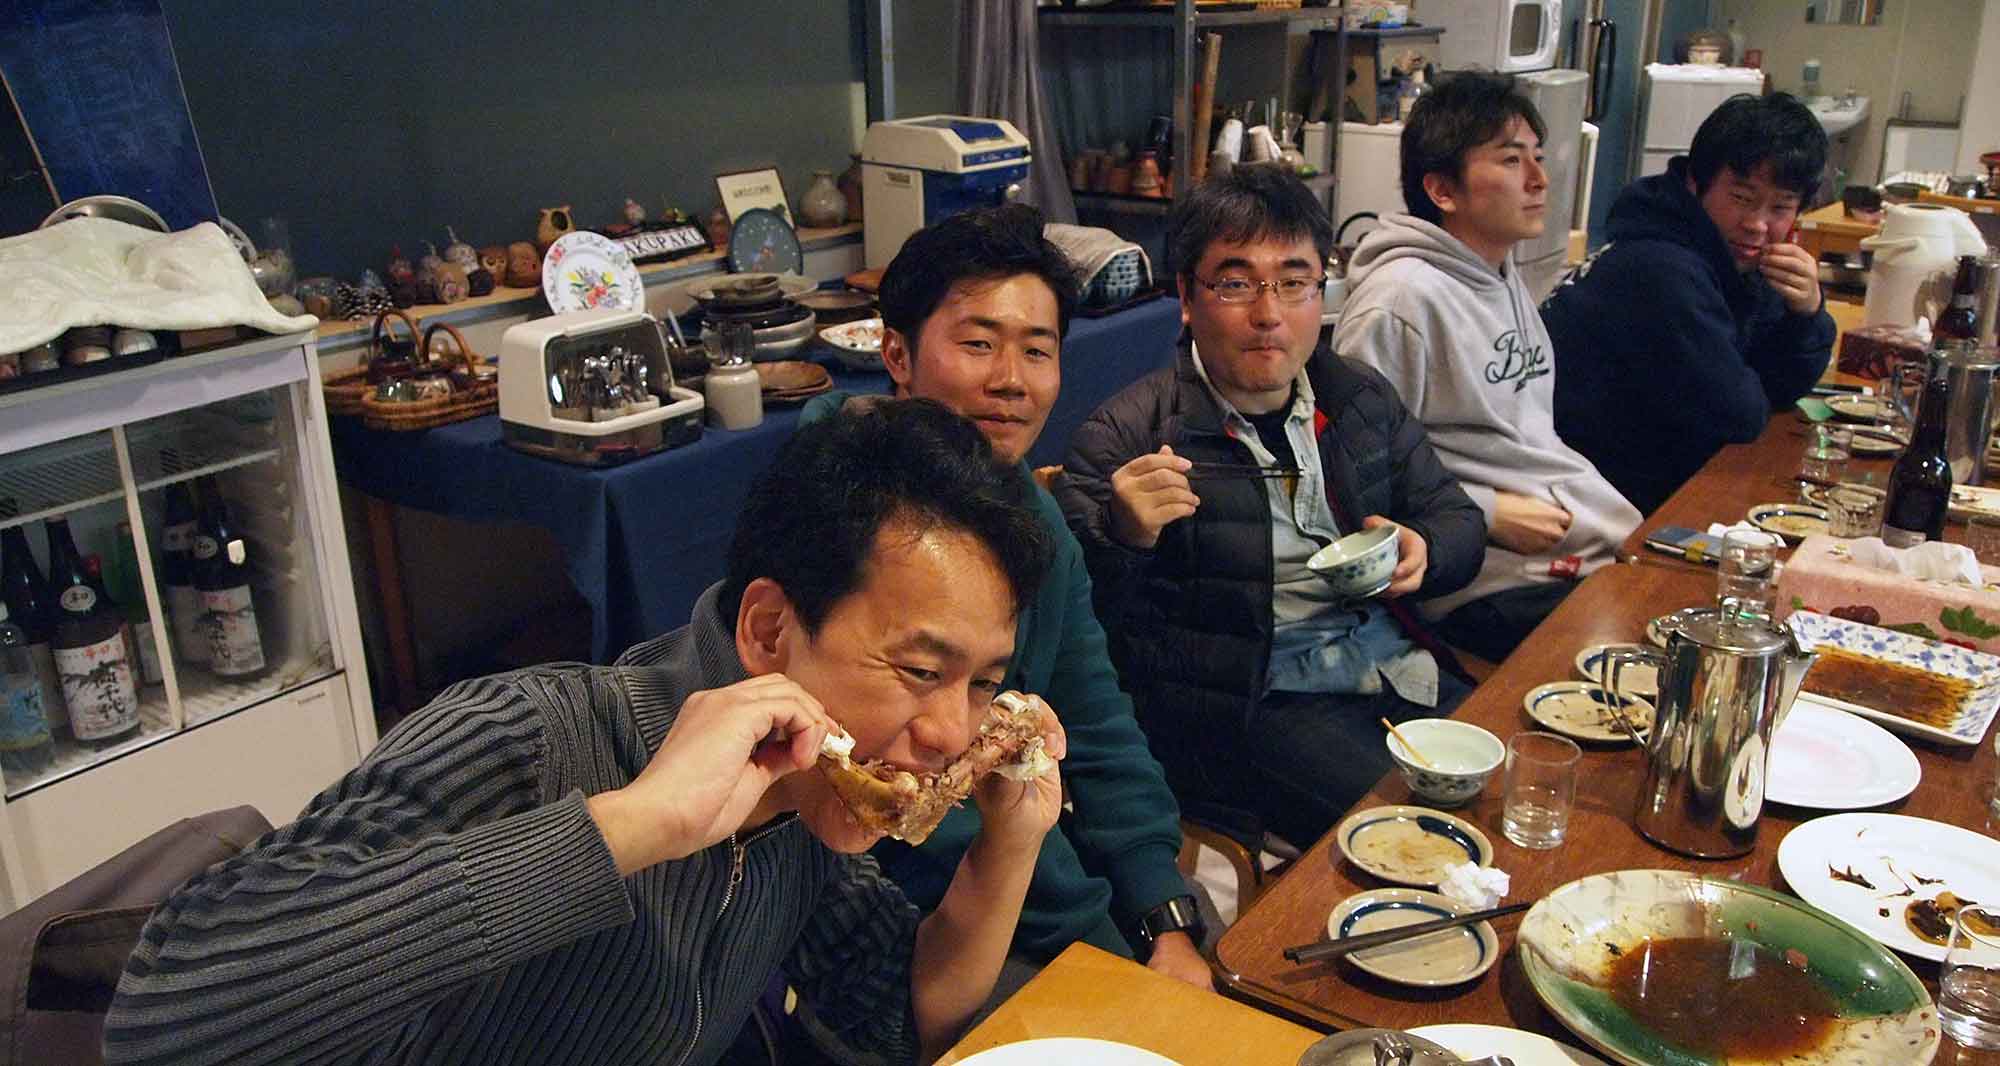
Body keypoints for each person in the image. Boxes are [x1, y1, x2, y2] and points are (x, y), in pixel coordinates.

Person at [102, 400, 1064, 1066]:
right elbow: (162, 1020)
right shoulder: (526, 738)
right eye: (920, 670)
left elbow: (898, 1017)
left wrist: (1011, 846)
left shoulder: (800, 806)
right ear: (771, 631)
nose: (952, 730)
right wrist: (632, 827)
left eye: (984, 682)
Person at [769, 204, 1207, 988]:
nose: (1010, 381)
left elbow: (1098, 727)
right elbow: (901, 817)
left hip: (1034, 886)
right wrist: (1099, 942)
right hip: (890, 918)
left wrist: (1162, 912)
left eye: (1037, 351)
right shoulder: (835, 511)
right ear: (897, 354)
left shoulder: (1035, 522)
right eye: (978, 344)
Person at [1056, 163, 1486, 850]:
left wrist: (1425, 550)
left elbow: (1458, 520)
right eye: (1235, 283)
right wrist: (1120, 534)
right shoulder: (1128, 436)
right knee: (1422, 844)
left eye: (1293, 282)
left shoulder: (1358, 398)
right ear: (1186, 297)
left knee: (1514, 789)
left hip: (1397, 664)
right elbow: (1077, 635)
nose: (1268, 314)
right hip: (1256, 708)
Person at [1335, 72, 1640, 663]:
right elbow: (1354, 475)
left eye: (1538, 157)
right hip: (1486, 580)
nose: (1539, 179)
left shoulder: (1498, 271)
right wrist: (1487, 511)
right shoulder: (1400, 301)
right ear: (1442, 190)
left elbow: (1526, 436)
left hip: (1572, 545)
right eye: (1510, 159)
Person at [1540, 91, 1834, 515]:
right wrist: (1756, 377)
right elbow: (1740, 416)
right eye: (1742, 198)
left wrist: (1806, 314)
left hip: (1636, 481)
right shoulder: (1661, 268)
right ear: (1696, 183)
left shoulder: (1733, 257)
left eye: (1780, 207)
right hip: (1586, 500)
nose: (1757, 224)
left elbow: (1776, 388)